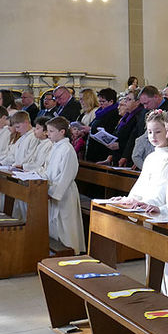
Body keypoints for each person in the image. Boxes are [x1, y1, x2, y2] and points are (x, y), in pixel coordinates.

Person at [111, 110, 168, 209]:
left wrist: (144, 202)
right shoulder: (150, 157)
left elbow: (161, 190)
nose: (153, 136)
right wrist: (130, 199)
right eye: (149, 132)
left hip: (155, 206)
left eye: (158, 132)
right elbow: (141, 184)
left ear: (167, 131)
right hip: (141, 203)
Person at [43, 117, 86, 254]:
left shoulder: (67, 149)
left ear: (62, 132)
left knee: (66, 223)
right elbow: (47, 169)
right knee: (55, 223)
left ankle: (71, 250)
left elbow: (67, 175)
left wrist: (54, 193)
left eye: (51, 131)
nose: (47, 134)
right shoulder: (55, 147)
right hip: (53, 188)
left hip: (64, 192)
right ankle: (57, 249)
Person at [84, 87, 119, 163]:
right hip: (94, 146)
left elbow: (110, 130)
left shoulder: (114, 113)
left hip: (103, 150)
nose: (100, 103)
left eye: (103, 101)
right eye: (99, 101)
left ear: (111, 102)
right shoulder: (100, 112)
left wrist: (90, 129)